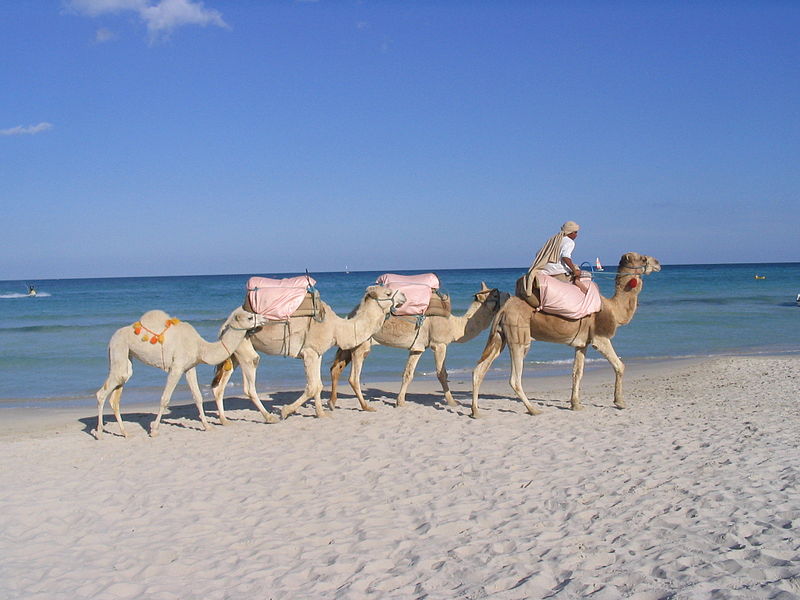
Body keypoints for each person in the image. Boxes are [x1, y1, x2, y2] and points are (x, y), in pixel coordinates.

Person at [521, 221, 583, 297]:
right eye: (575, 232)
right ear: (570, 232)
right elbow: (565, 257)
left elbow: (539, 253)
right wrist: (574, 271)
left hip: (545, 267)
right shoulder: (570, 242)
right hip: (556, 269)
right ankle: (578, 283)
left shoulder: (554, 239)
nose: (576, 235)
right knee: (577, 269)